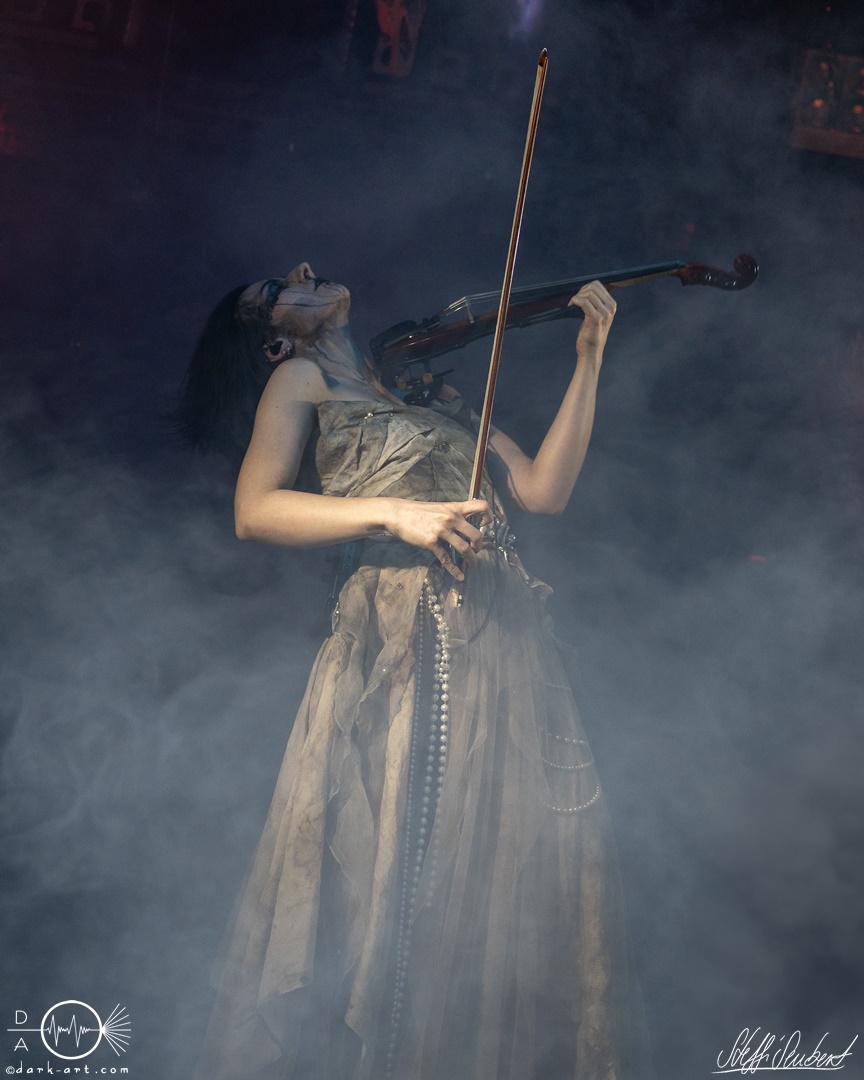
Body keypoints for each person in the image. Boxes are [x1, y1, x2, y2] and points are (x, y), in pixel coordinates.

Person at [178, 262, 639, 1080]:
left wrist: (590, 355)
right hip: (402, 629)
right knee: (406, 852)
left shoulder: (429, 392)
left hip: (504, 637)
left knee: (496, 860)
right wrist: (396, 512)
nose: (302, 271)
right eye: (275, 290)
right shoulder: (301, 380)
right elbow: (256, 510)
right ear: (274, 339)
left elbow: (542, 491)